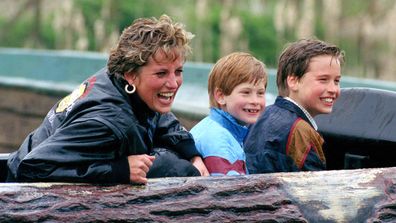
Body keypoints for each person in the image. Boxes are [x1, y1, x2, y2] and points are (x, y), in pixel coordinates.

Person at [7, 15, 209, 184]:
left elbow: (159, 117)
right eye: (161, 73)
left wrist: (192, 153)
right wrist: (119, 170)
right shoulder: (109, 122)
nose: (173, 83)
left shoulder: (120, 82)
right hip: (23, 200)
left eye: (179, 71)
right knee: (176, 170)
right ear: (131, 74)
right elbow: (33, 167)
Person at [244, 38, 344, 173]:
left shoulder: (260, 116)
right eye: (323, 80)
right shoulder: (301, 132)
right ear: (293, 81)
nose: (333, 89)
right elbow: (316, 190)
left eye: (337, 81)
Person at [190, 52, 267, 176]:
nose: (255, 101)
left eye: (260, 93)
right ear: (221, 96)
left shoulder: (215, 128)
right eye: (246, 92)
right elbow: (230, 193)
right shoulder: (220, 142)